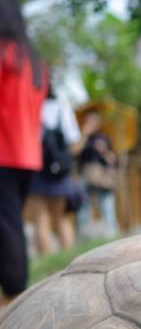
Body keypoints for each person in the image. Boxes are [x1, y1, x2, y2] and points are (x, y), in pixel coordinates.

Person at [0, 0, 46, 308]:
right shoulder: (32, 59)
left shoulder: (4, 53)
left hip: (3, 151)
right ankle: (15, 293)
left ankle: (15, 298)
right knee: (10, 223)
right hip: (27, 154)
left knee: (7, 228)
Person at [24, 85, 81, 255]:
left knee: (40, 219)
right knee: (62, 218)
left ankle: (47, 267)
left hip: (35, 166)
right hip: (60, 170)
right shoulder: (62, 106)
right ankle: (70, 262)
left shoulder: (30, 103)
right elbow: (74, 142)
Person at [76, 109, 119, 238]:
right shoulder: (81, 138)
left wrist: (104, 152)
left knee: (107, 206)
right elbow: (75, 153)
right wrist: (84, 134)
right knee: (83, 207)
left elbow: (113, 160)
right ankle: (83, 236)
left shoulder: (104, 138)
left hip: (102, 176)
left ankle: (112, 235)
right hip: (85, 175)